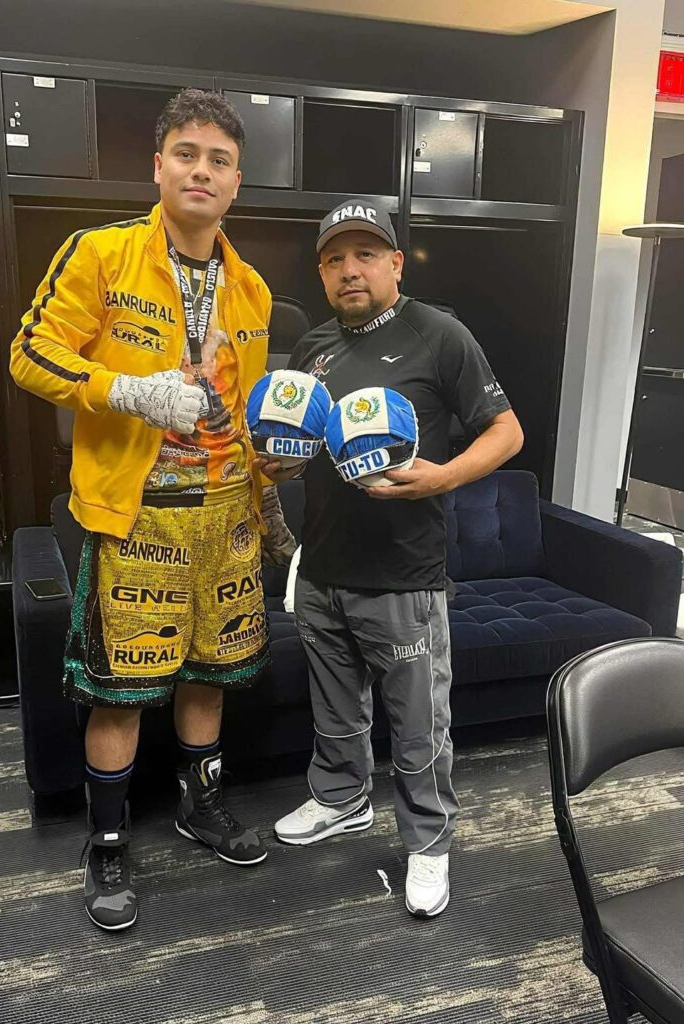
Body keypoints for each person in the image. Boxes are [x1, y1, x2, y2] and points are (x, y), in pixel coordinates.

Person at [10, 89, 295, 931]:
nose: (201, 171)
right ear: (159, 166)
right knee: (121, 691)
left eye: (218, 160)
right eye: (186, 154)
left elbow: (242, 416)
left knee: (208, 677)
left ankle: (199, 807)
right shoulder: (101, 253)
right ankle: (106, 842)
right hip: (136, 514)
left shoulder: (251, 289)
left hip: (225, 514)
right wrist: (128, 392)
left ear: (236, 182)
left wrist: (271, 500)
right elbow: (29, 354)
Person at [262, 198, 524, 917]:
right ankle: (341, 799)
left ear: (395, 264)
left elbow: (506, 431)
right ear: (321, 273)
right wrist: (284, 464)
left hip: (403, 574)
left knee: (417, 728)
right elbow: (308, 444)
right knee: (334, 708)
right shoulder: (311, 347)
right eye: (334, 259)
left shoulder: (438, 334)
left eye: (366, 254)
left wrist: (444, 477)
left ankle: (428, 843)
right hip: (322, 567)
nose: (350, 270)